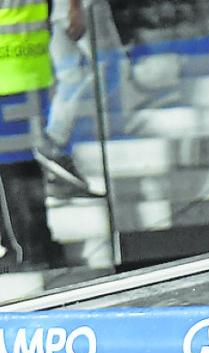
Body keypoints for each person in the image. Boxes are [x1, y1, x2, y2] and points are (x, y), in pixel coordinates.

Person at [0, 0, 65, 269]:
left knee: (13, 169)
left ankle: (27, 249)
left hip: (8, 76)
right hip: (31, 71)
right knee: (23, 166)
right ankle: (39, 245)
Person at [35, 0, 115, 197]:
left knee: (72, 77)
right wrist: (75, 6)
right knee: (112, 70)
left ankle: (55, 144)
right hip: (79, 8)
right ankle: (55, 140)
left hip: (56, 12)